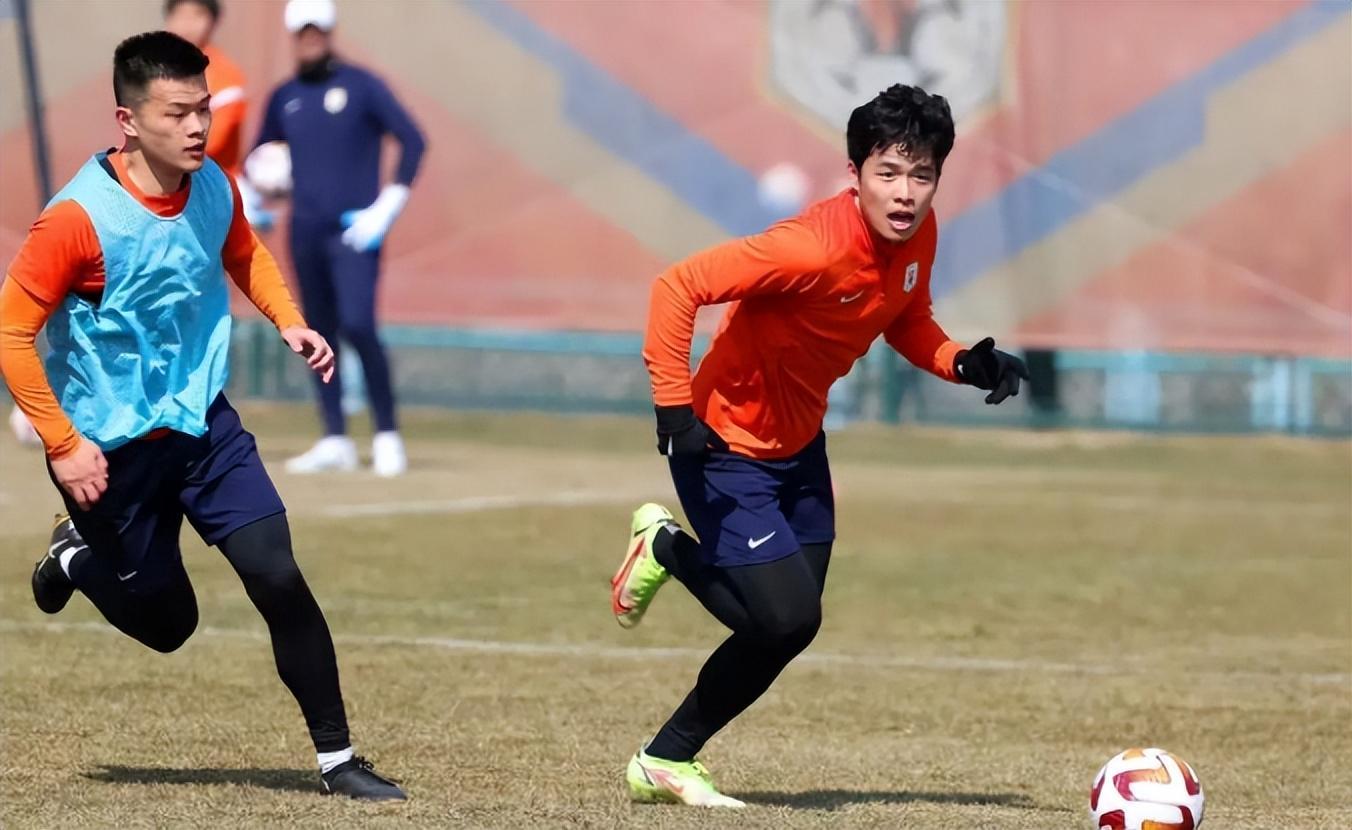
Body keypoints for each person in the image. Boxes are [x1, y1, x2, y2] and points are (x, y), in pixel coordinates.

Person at [0, 31, 404, 801]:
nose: (197, 127)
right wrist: (62, 443)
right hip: (109, 453)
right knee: (168, 626)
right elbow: (10, 332)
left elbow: (243, 250)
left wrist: (289, 320)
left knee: (276, 573)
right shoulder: (77, 221)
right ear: (127, 121)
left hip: (203, 426)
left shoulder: (212, 183)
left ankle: (339, 761)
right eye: (177, 113)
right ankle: (75, 558)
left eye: (203, 109)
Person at [610, 84, 1029, 807]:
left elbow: (906, 317)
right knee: (786, 617)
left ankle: (665, 758)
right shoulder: (810, 246)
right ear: (856, 174)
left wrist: (964, 362)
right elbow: (676, 287)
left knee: (787, 628)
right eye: (888, 173)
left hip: (799, 448)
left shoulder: (918, 235)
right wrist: (675, 411)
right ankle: (667, 553)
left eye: (922, 175)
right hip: (722, 445)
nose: (905, 193)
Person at [251, 0, 426, 477]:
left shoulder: (362, 86)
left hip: (354, 232)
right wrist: (256, 197)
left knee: (359, 324)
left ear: (329, 33)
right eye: (302, 32)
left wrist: (385, 209)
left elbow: (413, 140)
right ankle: (335, 438)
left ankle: (387, 434)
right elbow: (260, 158)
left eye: (317, 30)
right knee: (318, 332)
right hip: (305, 231)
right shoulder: (284, 96)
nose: (310, 39)